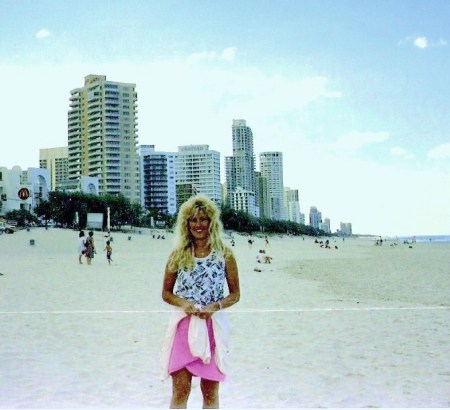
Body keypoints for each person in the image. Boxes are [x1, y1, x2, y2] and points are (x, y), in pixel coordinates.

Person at [161, 195, 240, 409]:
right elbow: (166, 293)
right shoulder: (177, 254)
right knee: (180, 390)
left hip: (213, 326)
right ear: (186, 223)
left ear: (212, 222)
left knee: (210, 393)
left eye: (203, 219)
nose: (198, 225)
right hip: (184, 326)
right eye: (193, 220)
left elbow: (235, 294)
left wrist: (215, 307)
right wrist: (183, 303)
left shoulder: (225, 254)